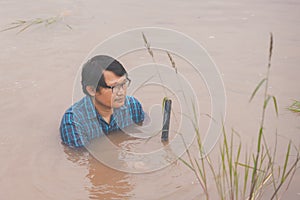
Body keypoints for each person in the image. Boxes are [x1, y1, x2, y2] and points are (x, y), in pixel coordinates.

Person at [60, 55, 145, 148]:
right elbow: (83, 159)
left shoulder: (133, 107)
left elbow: (143, 134)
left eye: (123, 83)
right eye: (114, 87)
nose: (121, 92)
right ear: (92, 90)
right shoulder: (74, 122)